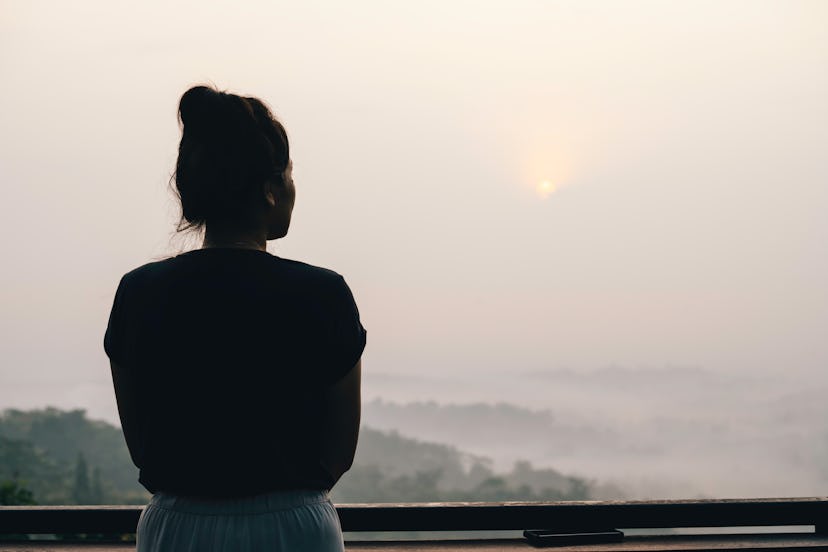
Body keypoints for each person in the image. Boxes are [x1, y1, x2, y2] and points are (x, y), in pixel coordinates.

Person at [103, 84, 366, 551]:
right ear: (269, 190)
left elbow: (141, 446)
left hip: (177, 528)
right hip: (295, 528)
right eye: (288, 174)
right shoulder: (323, 294)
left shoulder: (138, 293)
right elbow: (337, 452)